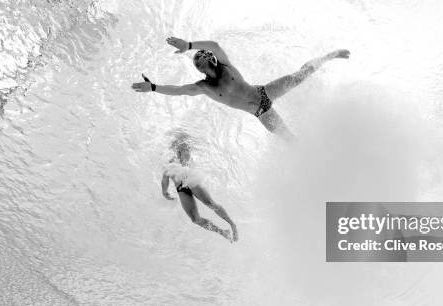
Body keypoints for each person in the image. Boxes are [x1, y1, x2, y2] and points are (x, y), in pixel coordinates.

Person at [131, 36, 350, 141]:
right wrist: (153, 87)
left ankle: (330, 56)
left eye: (208, 56)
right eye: (204, 60)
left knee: (298, 76)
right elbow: (179, 90)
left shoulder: (226, 66)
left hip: (264, 92)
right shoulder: (204, 87)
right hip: (261, 113)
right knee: (290, 139)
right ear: (202, 68)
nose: (209, 58)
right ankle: (312, 163)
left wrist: (189, 45)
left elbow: (214, 45)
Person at [161, 136, 238, 242]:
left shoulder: (183, 147)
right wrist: (164, 192)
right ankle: (223, 232)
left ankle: (232, 224)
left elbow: (186, 160)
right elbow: (165, 177)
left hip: (191, 179)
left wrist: (183, 156)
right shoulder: (169, 160)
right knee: (195, 219)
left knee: (211, 204)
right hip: (181, 188)